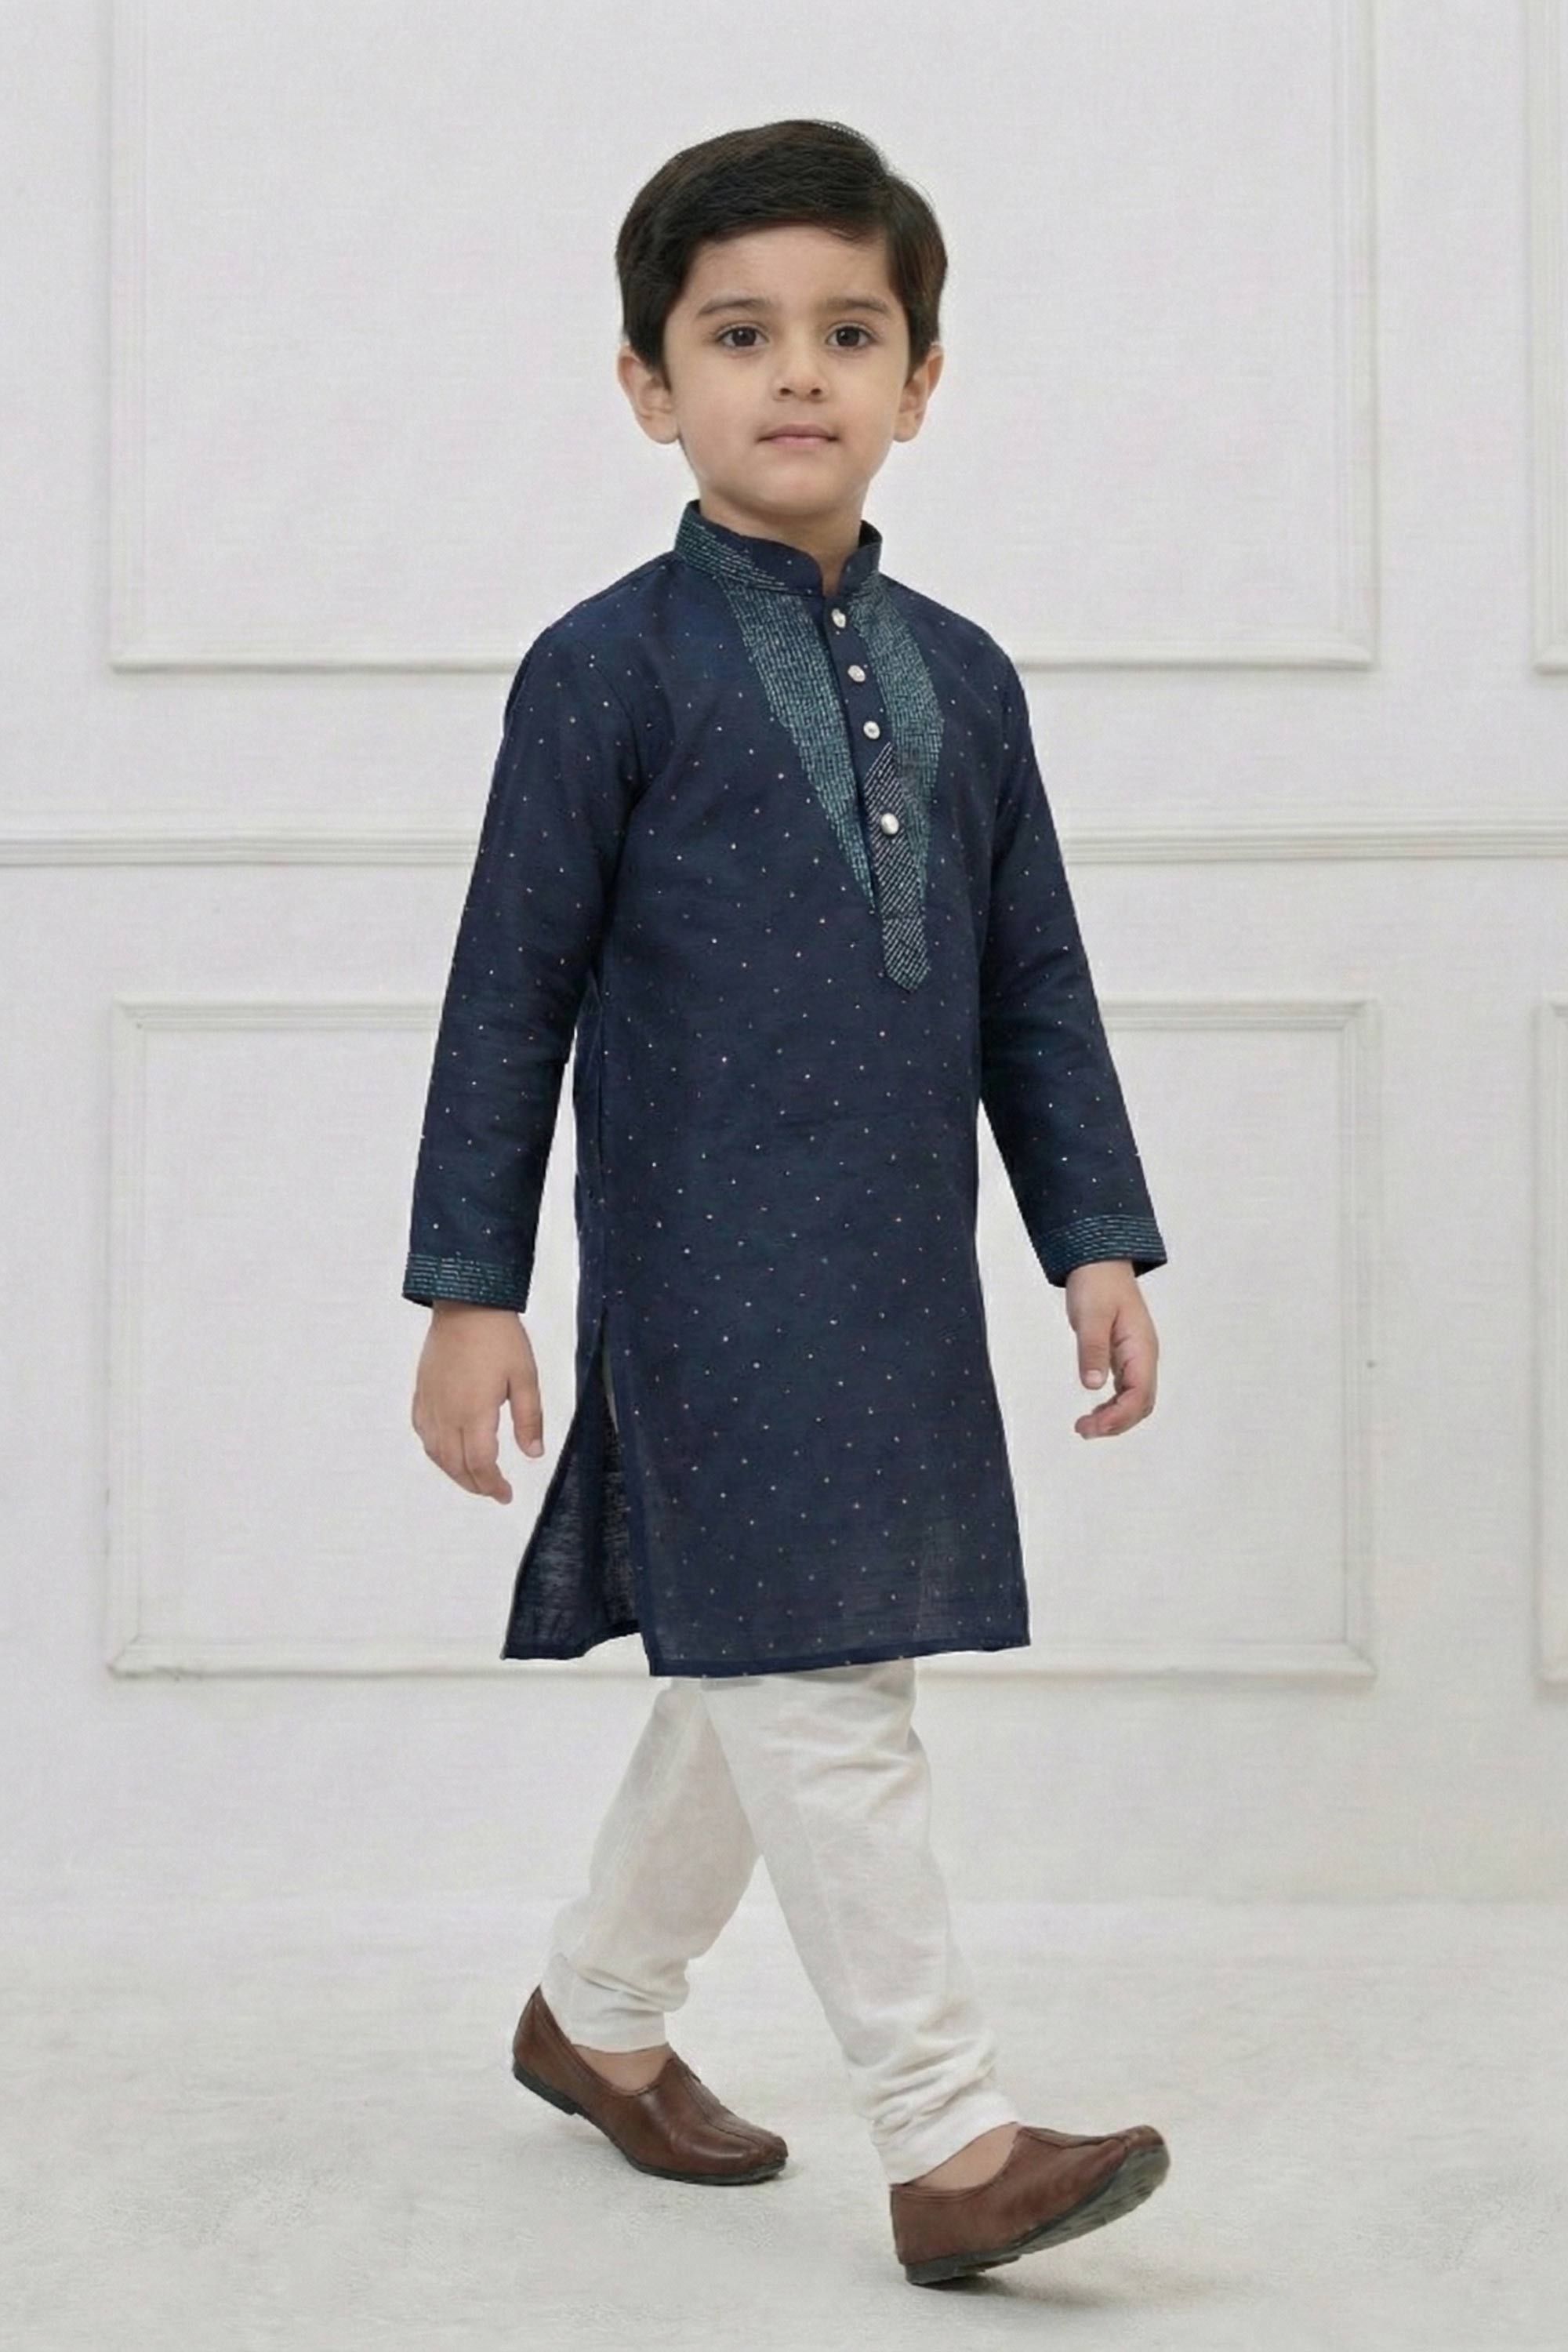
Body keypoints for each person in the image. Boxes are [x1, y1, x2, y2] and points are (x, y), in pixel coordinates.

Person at [403, 118, 1172, 2285]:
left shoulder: (970, 676)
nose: (799, 373)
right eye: (740, 336)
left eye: (850, 332)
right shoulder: (604, 668)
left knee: (779, 1668)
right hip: (702, 1272)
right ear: (650, 385)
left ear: (922, 379)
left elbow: (1034, 984)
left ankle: (596, 2015)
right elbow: (509, 989)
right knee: (829, 1686)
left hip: (896, 1275)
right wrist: (470, 1287)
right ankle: (948, 2142)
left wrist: (1095, 1237)